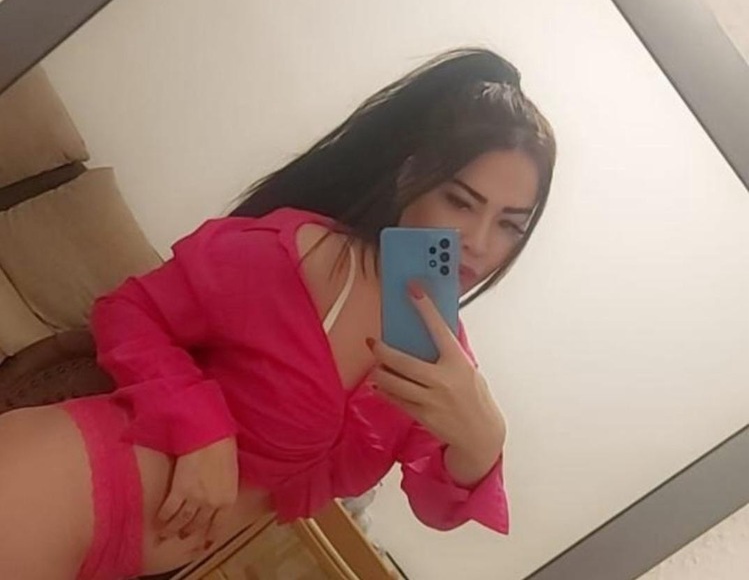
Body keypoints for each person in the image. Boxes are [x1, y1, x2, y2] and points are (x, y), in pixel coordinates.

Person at [0, 47, 555, 580]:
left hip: (119, 560)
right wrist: (202, 430)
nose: (478, 243)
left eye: (511, 224)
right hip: (53, 491)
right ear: (410, 177)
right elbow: (128, 312)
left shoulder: (441, 362)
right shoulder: (302, 254)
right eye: (461, 201)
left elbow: (434, 505)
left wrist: (483, 441)